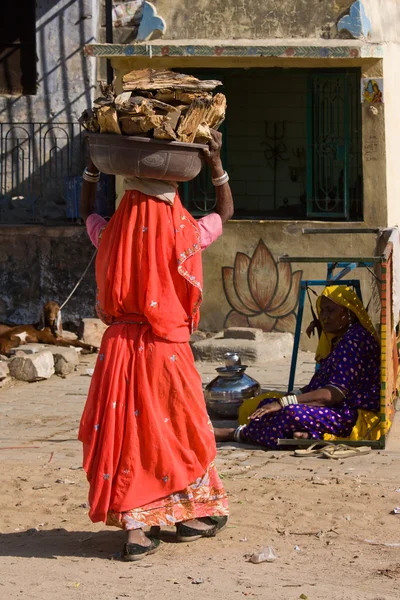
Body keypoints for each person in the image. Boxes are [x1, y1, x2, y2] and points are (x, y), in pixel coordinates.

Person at [78, 130, 234, 561]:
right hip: (166, 346)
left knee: (130, 435)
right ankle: (180, 515)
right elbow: (225, 211)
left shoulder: (111, 235)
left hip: (119, 348)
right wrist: (216, 164)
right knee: (179, 429)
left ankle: (142, 528)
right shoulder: (185, 233)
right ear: (174, 198)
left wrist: (92, 165)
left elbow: (86, 210)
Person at [215, 285, 380, 448]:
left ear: (349, 313)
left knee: (290, 413)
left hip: (349, 413)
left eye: (330, 311)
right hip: (334, 407)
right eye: (322, 311)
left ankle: (236, 434)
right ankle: (306, 435)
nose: (324, 317)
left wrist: (286, 402)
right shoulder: (343, 338)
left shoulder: (354, 341)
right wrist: (292, 396)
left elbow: (334, 394)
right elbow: (323, 383)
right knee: (266, 404)